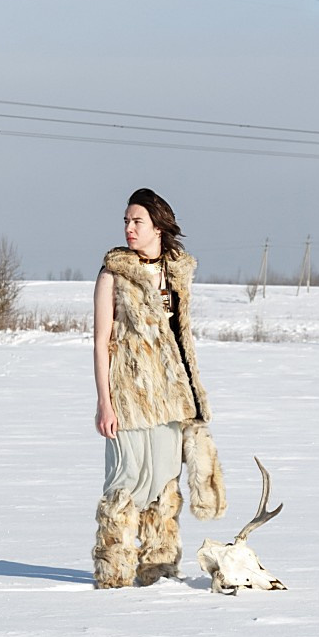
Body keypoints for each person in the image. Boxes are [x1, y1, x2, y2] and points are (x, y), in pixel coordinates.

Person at [91, 188, 224, 588]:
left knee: (165, 481)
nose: (129, 229)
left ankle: (158, 568)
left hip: (169, 396)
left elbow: (182, 339)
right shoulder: (114, 272)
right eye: (127, 221)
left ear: (159, 227)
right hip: (128, 394)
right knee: (125, 479)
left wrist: (193, 397)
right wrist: (104, 402)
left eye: (138, 222)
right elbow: (101, 341)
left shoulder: (177, 271)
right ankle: (114, 570)